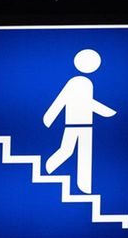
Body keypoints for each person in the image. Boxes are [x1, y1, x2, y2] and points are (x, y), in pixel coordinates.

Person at [42, 48, 115, 193]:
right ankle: (48, 169)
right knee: (66, 151)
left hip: (88, 126)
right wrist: (49, 117)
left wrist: (105, 111)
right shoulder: (77, 82)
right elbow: (62, 100)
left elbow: (88, 102)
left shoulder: (87, 83)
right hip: (73, 125)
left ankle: (85, 187)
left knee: (85, 156)